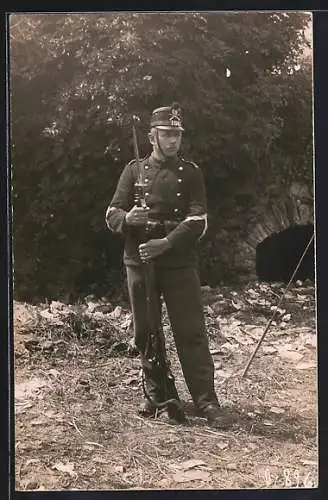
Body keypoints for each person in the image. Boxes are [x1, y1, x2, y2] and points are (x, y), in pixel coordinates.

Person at [105, 102, 231, 429]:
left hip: (177, 261)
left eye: (177, 134)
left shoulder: (190, 173)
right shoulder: (132, 171)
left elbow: (197, 220)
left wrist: (167, 242)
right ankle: (160, 396)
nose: (173, 140)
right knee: (146, 331)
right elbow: (111, 214)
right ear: (152, 136)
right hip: (141, 260)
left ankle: (206, 401)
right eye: (166, 134)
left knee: (190, 331)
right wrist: (129, 218)